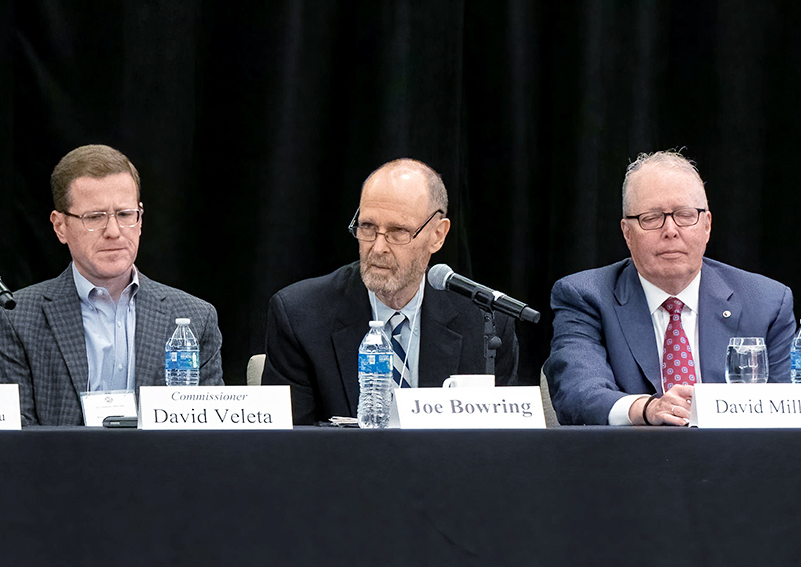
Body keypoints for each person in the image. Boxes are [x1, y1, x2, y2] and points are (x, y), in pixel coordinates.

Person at [545, 150, 795, 426]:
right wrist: (646, 408)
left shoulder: (767, 302)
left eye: (685, 215)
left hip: (739, 463)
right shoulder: (586, 296)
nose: (671, 230)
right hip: (630, 464)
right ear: (627, 232)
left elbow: (788, 411)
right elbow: (577, 393)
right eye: (651, 218)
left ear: (707, 226)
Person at [262, 158, 519, 425]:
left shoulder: (485, 321)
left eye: (398, 232)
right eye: (368, 228)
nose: (378, 248)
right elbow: (289, 446)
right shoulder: (300, 315)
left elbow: (502, 446)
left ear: (438, 235)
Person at [0, 144, 223, 425]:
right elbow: (14, 436)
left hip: (161, 467)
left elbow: (210, 433)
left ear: (140, 220)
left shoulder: (196, 317)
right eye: (95, 217)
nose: (113, 232)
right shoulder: (19, 317)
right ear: (60, 226)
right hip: (58, 466)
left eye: (125, 215)